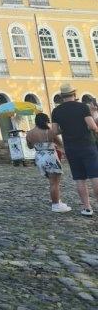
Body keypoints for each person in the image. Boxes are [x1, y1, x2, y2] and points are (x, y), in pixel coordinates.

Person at [51, 84, 98, 217]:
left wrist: (65, 128)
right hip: (87, 145)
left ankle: (87, 208)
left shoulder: (56, 111)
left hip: (71, 148)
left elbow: (54, 132)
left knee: (79, 179)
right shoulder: (83, 107)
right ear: (74, 94)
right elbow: (93, 127)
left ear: (61, 96)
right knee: (95, 176)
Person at [26, 113, 70, 213]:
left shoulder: (29, 133)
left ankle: (57, 200)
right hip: (50, 157)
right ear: (46, 120)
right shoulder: (49, 131)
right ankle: (56, 205)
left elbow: (30, 146)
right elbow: (60, 144)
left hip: (39, 157)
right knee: (54, 183)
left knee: (52, 182)